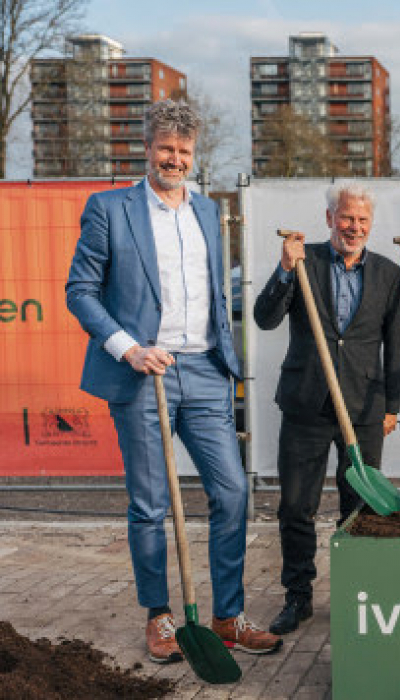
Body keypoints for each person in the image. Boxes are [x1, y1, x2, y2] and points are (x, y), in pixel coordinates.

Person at [65, 99, 280, 663]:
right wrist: (129, 349)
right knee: (150, 503)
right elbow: (80, 290)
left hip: (207, 371)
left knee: (233, 493)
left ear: (194, 153)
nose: (175, 159)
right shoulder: (110, 208)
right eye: (166, 148)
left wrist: (220, 358)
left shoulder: (208, 212)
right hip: (143, 376)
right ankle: (159, 618)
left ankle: (228, 617)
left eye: (184, 150)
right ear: (148, 148)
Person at [254, 182, 400, 636]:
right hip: (306, 403)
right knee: (296, 507)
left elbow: (394, 345)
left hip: (364, 407)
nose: (353, 227)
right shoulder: (305, 262)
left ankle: (355, 595)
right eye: (346, 218)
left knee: (358, 506)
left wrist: (392, 405)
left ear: (370, 224)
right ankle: (297, 597)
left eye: (362, 220)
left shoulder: (387, 274)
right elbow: (264, 317)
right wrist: (284, 270)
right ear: (329, 219)